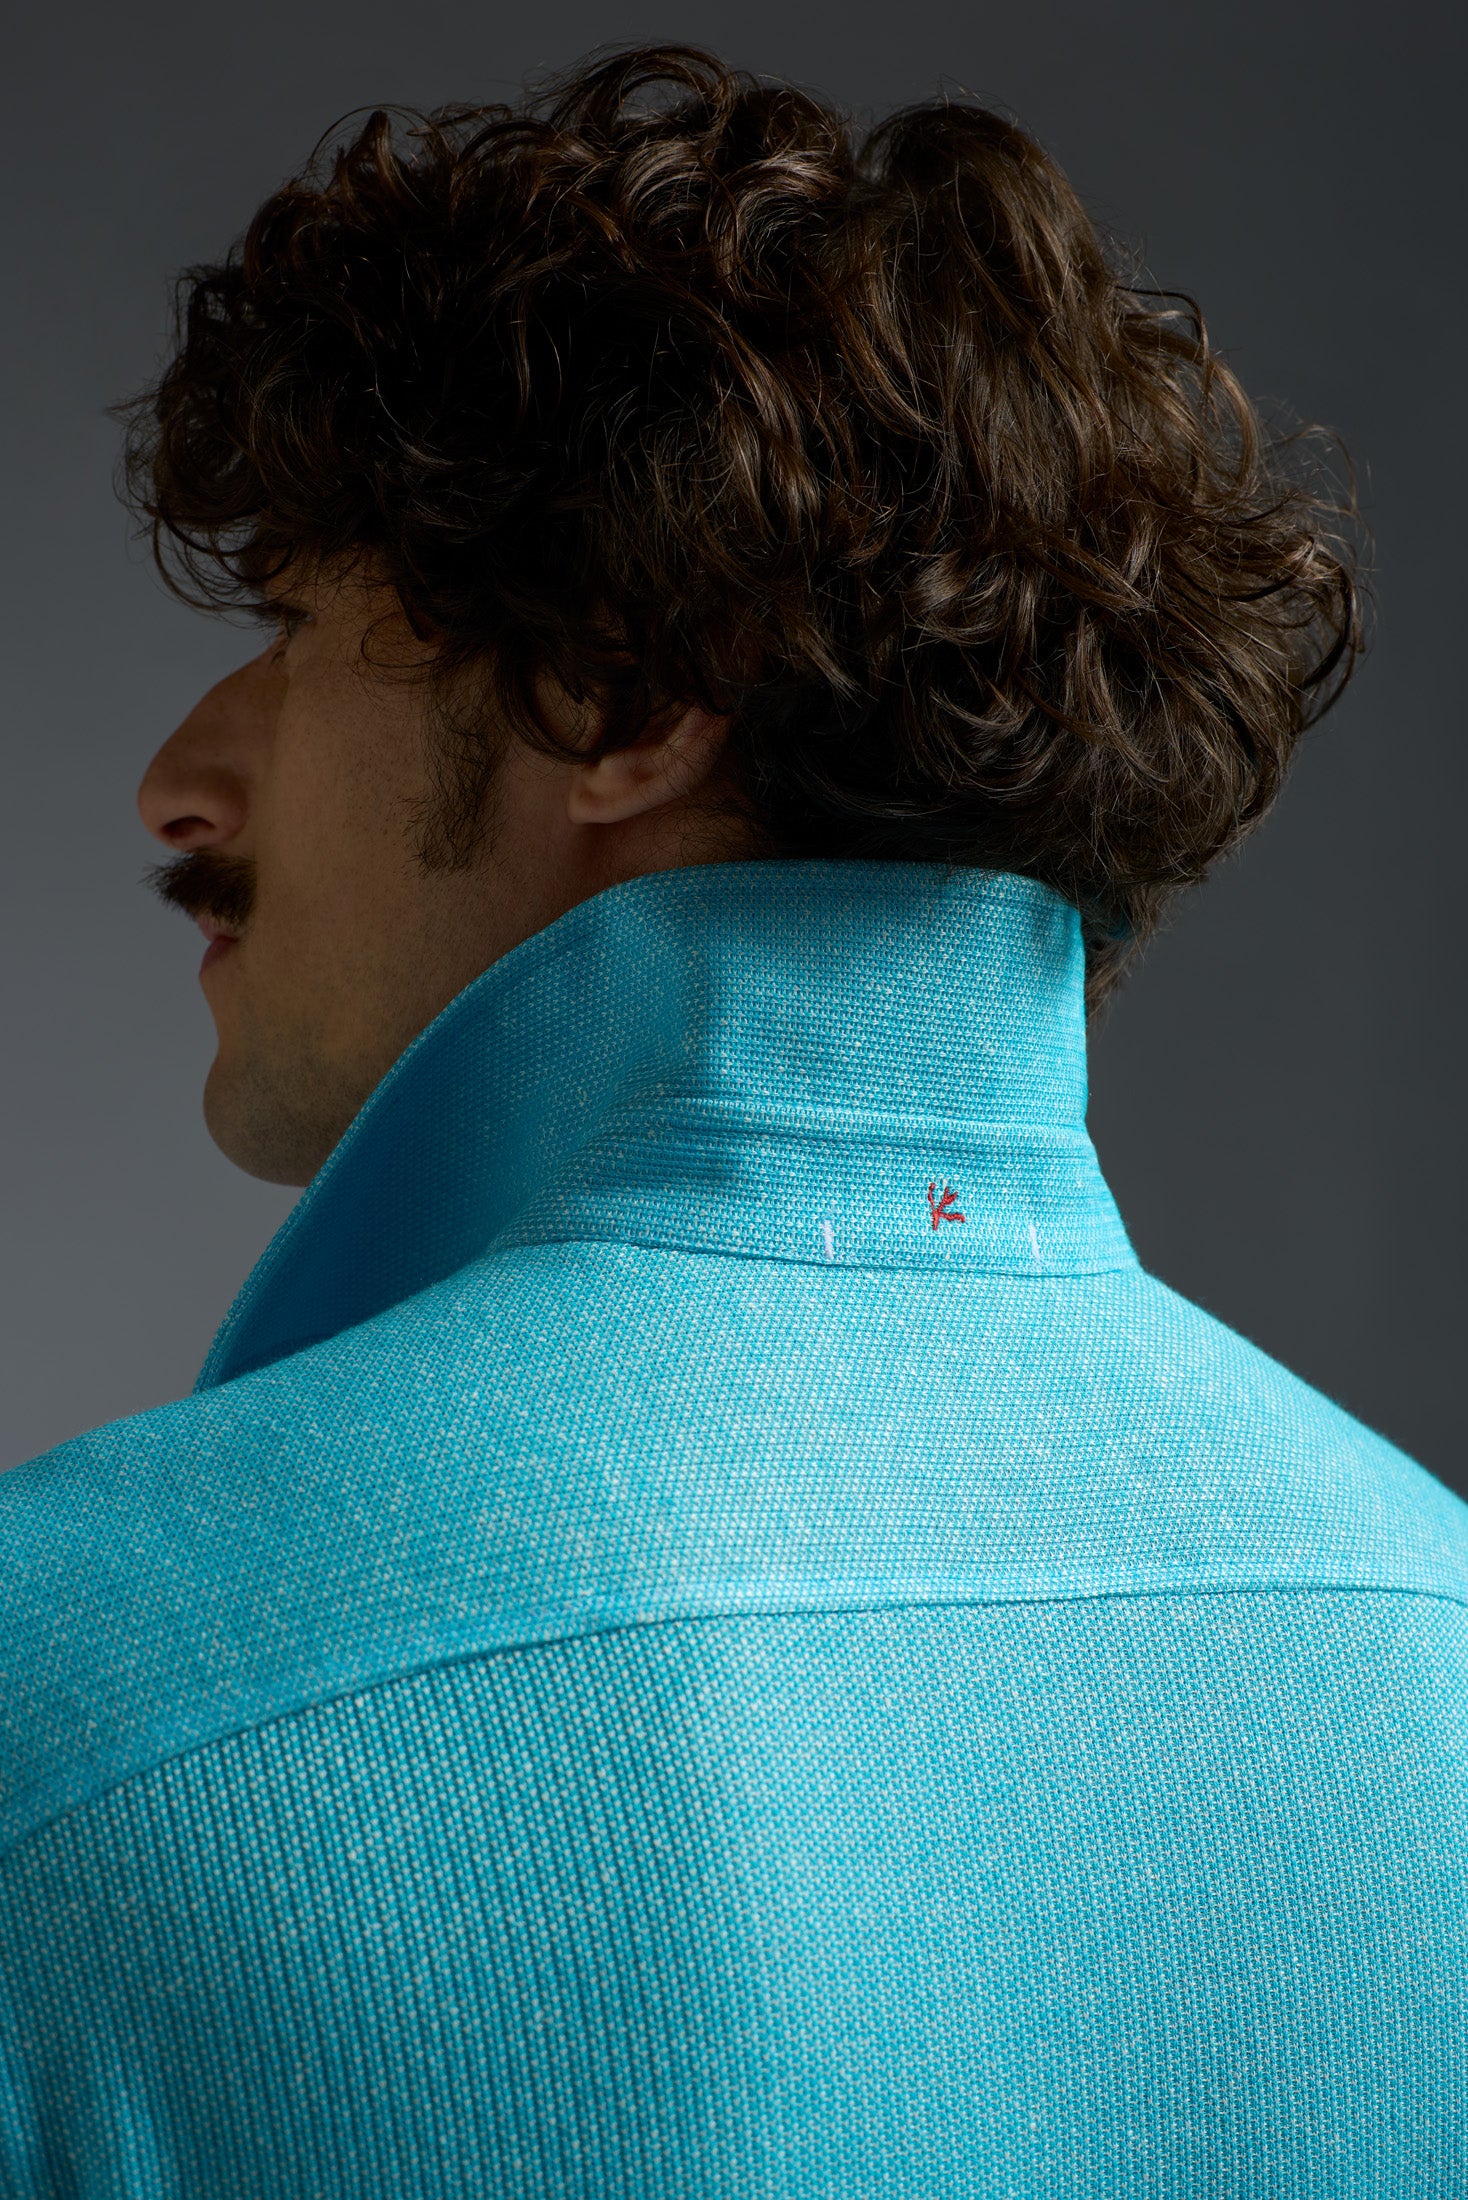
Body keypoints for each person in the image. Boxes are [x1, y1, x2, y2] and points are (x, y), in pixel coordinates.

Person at [3, 39, 1464, 2195]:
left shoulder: (67, 1692)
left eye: (297, 624)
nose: (177, 783)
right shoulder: (1439, 1647)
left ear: (618, 691)